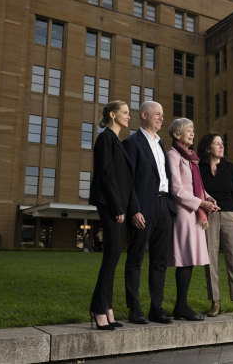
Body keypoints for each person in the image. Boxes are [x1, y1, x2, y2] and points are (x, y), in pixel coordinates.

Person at [123, 101, 176, 324]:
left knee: (159, 261)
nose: (161, 118)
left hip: (164, 207)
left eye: (162, 114)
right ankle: (134, 309)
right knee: (135, 259)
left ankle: (157, 308)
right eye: (157, 114)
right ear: (144, 115)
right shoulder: (131, 143)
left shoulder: (161, 142)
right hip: (143, 207)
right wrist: (134, 209)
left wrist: (171, 207)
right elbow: (128, 180)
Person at [197, 133, 233, 319]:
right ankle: (216, 302)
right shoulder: (198, 168)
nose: (221, 147)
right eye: (217, 144)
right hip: (209, 216)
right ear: (208, 148)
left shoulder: (230, 167)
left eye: (222, 143)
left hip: (230, 215)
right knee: (211, 260)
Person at [167, 118, 219, 321]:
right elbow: (177, 190)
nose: (192, 133)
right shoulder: (173, 156)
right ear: (176, 134)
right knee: (184, 259)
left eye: (193, 130)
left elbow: (196, 186)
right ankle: (180, 306)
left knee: (189, 260)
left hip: (194, 211)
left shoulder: (191, 158)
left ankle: (181, 305)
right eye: (187, 130)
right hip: (184, 212)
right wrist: (201, 203)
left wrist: (208, 198)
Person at [88, 100, 133, 331]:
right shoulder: (105, 138)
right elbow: (105, 175)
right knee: (112, 255)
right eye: (125, 113)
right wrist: (117, 208)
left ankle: (107, 307)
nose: (128, 116)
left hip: (116, 205)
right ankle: (98, 308)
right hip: (109, 205)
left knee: (114, 256)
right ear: (113, 115)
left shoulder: (116, 140)